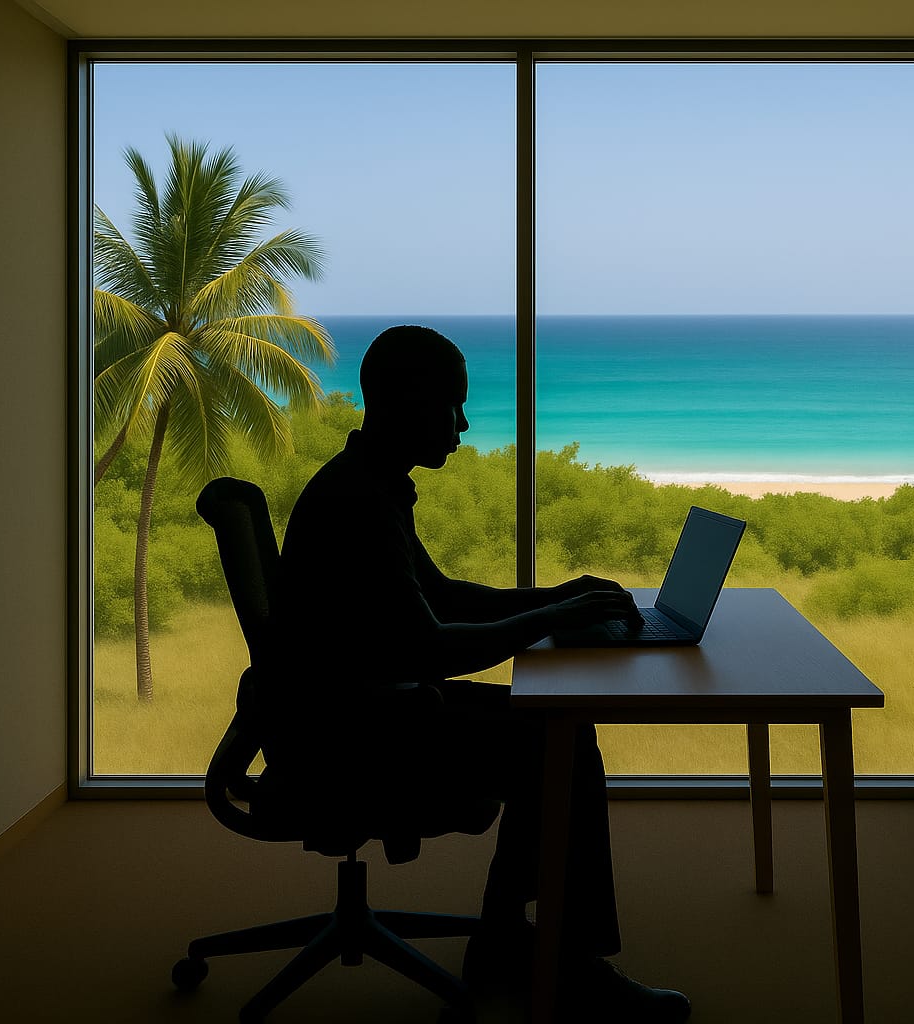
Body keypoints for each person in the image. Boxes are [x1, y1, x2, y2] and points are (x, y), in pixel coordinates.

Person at [272, 325, 691, 1021]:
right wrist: (549, 618)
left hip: (352, 708)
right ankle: (564, 964)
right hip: (354, 736)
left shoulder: (370, 482)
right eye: (453, 406)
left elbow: (443, 595)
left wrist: (555, 597)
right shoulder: (358, 505)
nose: (464, 424)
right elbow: (433, 645)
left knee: (551, 731)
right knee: (558, 742)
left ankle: (509, 943)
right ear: (408, 401)